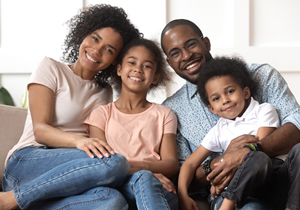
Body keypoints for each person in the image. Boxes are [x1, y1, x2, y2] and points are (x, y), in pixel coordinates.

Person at [1, 4, 141, 210]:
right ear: (83, 34)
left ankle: (30, 203)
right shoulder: (51, 68)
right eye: (95, 38)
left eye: (109, 50)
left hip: (69, 173)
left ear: (115, 61)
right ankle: (11, 200)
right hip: (27, 161)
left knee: (113, 200)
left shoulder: (105, 91)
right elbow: (40, 131)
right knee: (115, 163)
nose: (97, 50)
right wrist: (80, 142)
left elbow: (101, 143)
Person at [160, 19, 300, 210]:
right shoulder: (173, 110)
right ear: (169, 62)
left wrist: (247, 152)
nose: (186, 55)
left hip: (276, 177)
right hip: (227, 193)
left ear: (206, 43)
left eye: (191, 44)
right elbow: (185, 172)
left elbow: (297, 125)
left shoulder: (261, 76)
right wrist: (223, 160)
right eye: (175, 53)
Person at [83, 38, 179, 210]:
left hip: (158, 189)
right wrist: (146, 171)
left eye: (147, 66)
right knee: (143, 178)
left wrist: (142, 170)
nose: (138, 69)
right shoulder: (101, 114)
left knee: (145, 179)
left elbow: (171, 164)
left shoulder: (165, 114)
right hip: (118, 187)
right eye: (132, 62)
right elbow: (102, 164)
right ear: (119, 69)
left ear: (156, 77)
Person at [178, 56, 282, 210]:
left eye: (230, 91)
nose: (225, 100)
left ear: (245, 92)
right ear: (212, 109)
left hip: (260, 187)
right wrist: (183, 195)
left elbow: (259, 153)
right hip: (225, 193)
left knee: (256, 157)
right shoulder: (219, 129)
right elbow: (190, 163)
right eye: (216, 98)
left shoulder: (263, 111)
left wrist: (222, 178)